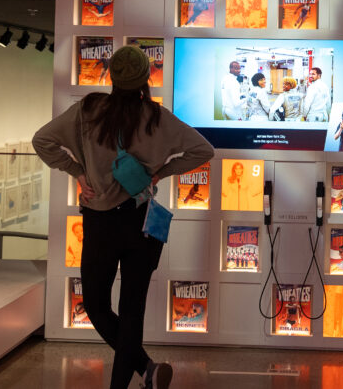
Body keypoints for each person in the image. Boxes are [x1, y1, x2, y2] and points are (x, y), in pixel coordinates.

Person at [33, 45, 214, 389]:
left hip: (100, 222)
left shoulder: (89, 110)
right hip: (141, 220)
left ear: (111, 77)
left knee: (96, 306)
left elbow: (42, 140)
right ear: (147, 78)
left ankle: (146, 369)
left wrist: (78, 172)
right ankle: (143, 370)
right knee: (133, 309)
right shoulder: (158, 117)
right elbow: (204, 150)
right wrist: (161, 173)